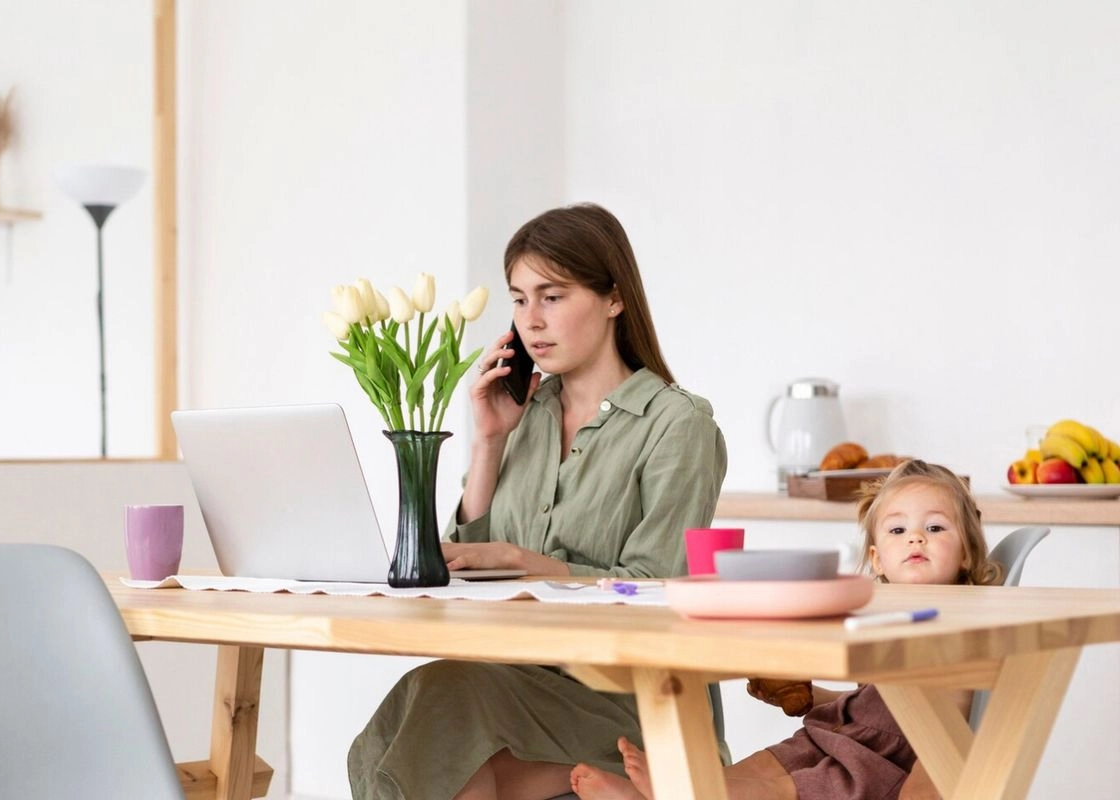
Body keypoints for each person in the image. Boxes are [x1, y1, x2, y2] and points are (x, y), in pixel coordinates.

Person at [347, 202, 728, 800]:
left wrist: (531, 563)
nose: (531, 320)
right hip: (517, 682)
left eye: (552, 296)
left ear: (613, 299)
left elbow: (660, 590)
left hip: (632, 701)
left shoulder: (677, 425)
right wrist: (490, 441)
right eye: (519, 299)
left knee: (444, 704)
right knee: (418, 711)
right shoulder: (525, 413)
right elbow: (466, 567)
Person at [569, 459, 1003, 800]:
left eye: (935, 527)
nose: (916, 539)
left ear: (966, 552)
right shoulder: (887, 611)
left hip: (885, 762)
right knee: (763, 765)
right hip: (843, 733)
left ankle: (680, 794)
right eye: (898, 529)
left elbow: (954, 710)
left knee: (777, 789)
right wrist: (817, 695)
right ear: (876, 558)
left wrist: (932, 779)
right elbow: (880, 702)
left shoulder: (962, 616)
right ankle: (671, 794)